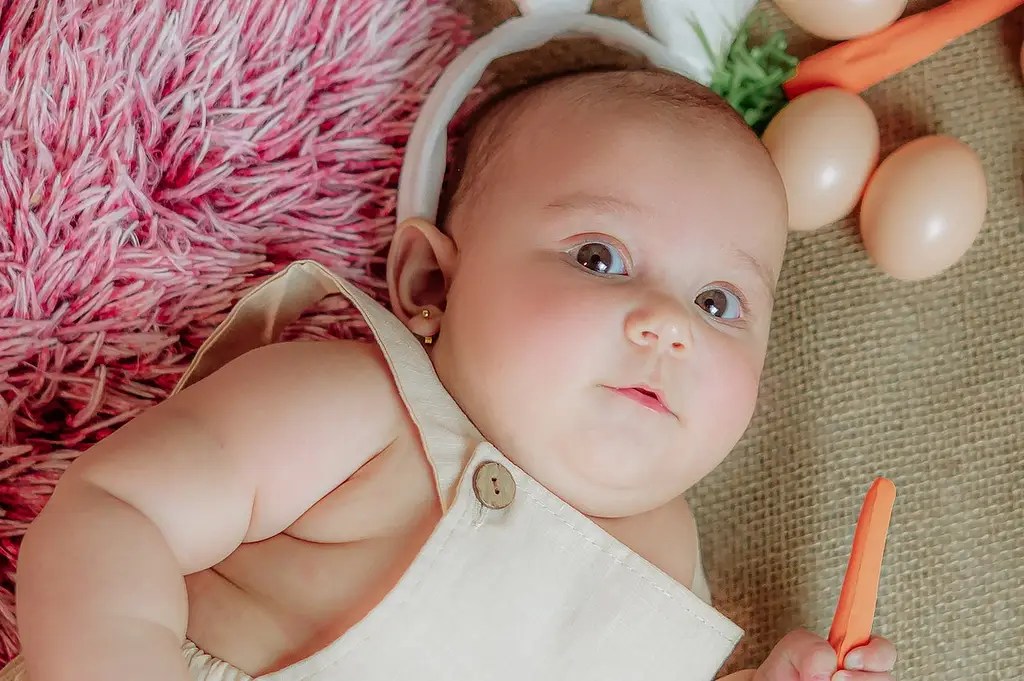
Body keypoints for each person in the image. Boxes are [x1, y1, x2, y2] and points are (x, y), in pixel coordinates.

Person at [7, 69, 897, 681]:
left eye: (717, 303)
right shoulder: (359, 408)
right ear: (430, 284)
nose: (668, 326)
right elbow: (117, 512)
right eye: (599, 256)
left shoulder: (670, 561)